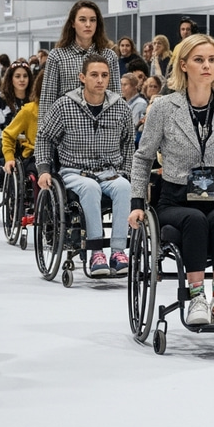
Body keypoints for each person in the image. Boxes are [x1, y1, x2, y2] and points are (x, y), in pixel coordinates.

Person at [128, 34, 214, 326]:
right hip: (175, 199)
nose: (207, 66)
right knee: (194, 220)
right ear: (183, 65)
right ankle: (197, 297)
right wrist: (137, 201)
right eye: (199, 60)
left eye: (212, 59)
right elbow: (143, 157)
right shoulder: (163, 107)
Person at [36, 55, 134, 276]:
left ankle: (118, 252)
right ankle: (96, 251)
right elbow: (44, 138)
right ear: (82, 77)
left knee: (124, 187)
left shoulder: (120, 107)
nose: (100, 80)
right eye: (94, 75)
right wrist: (43, 170)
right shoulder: (64, 105)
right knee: (90, 188)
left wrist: (126, 172)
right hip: (74, 171)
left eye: (104, 75)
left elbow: (128, 143)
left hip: (109, 172)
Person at [39, 0, 119, 122]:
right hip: (66, 128)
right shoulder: (57, 56)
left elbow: (115, 98)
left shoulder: (109, 56)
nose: (88, 24)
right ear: (73, 23)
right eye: (82, 20)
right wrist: (44, 136)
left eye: (93, 20)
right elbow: (47, 101)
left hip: (101, 128)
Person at [0, 60, 36, 169]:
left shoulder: (33, 101)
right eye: (17, 76)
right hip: (3, 144)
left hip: (28, 146)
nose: (22, 80)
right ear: (11, 79)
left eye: (25, 76)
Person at [1, 71, 44, 177]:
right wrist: (9, 158)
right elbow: (8, 134)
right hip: (34, 155)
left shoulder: (66, 110)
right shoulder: (29, 110)